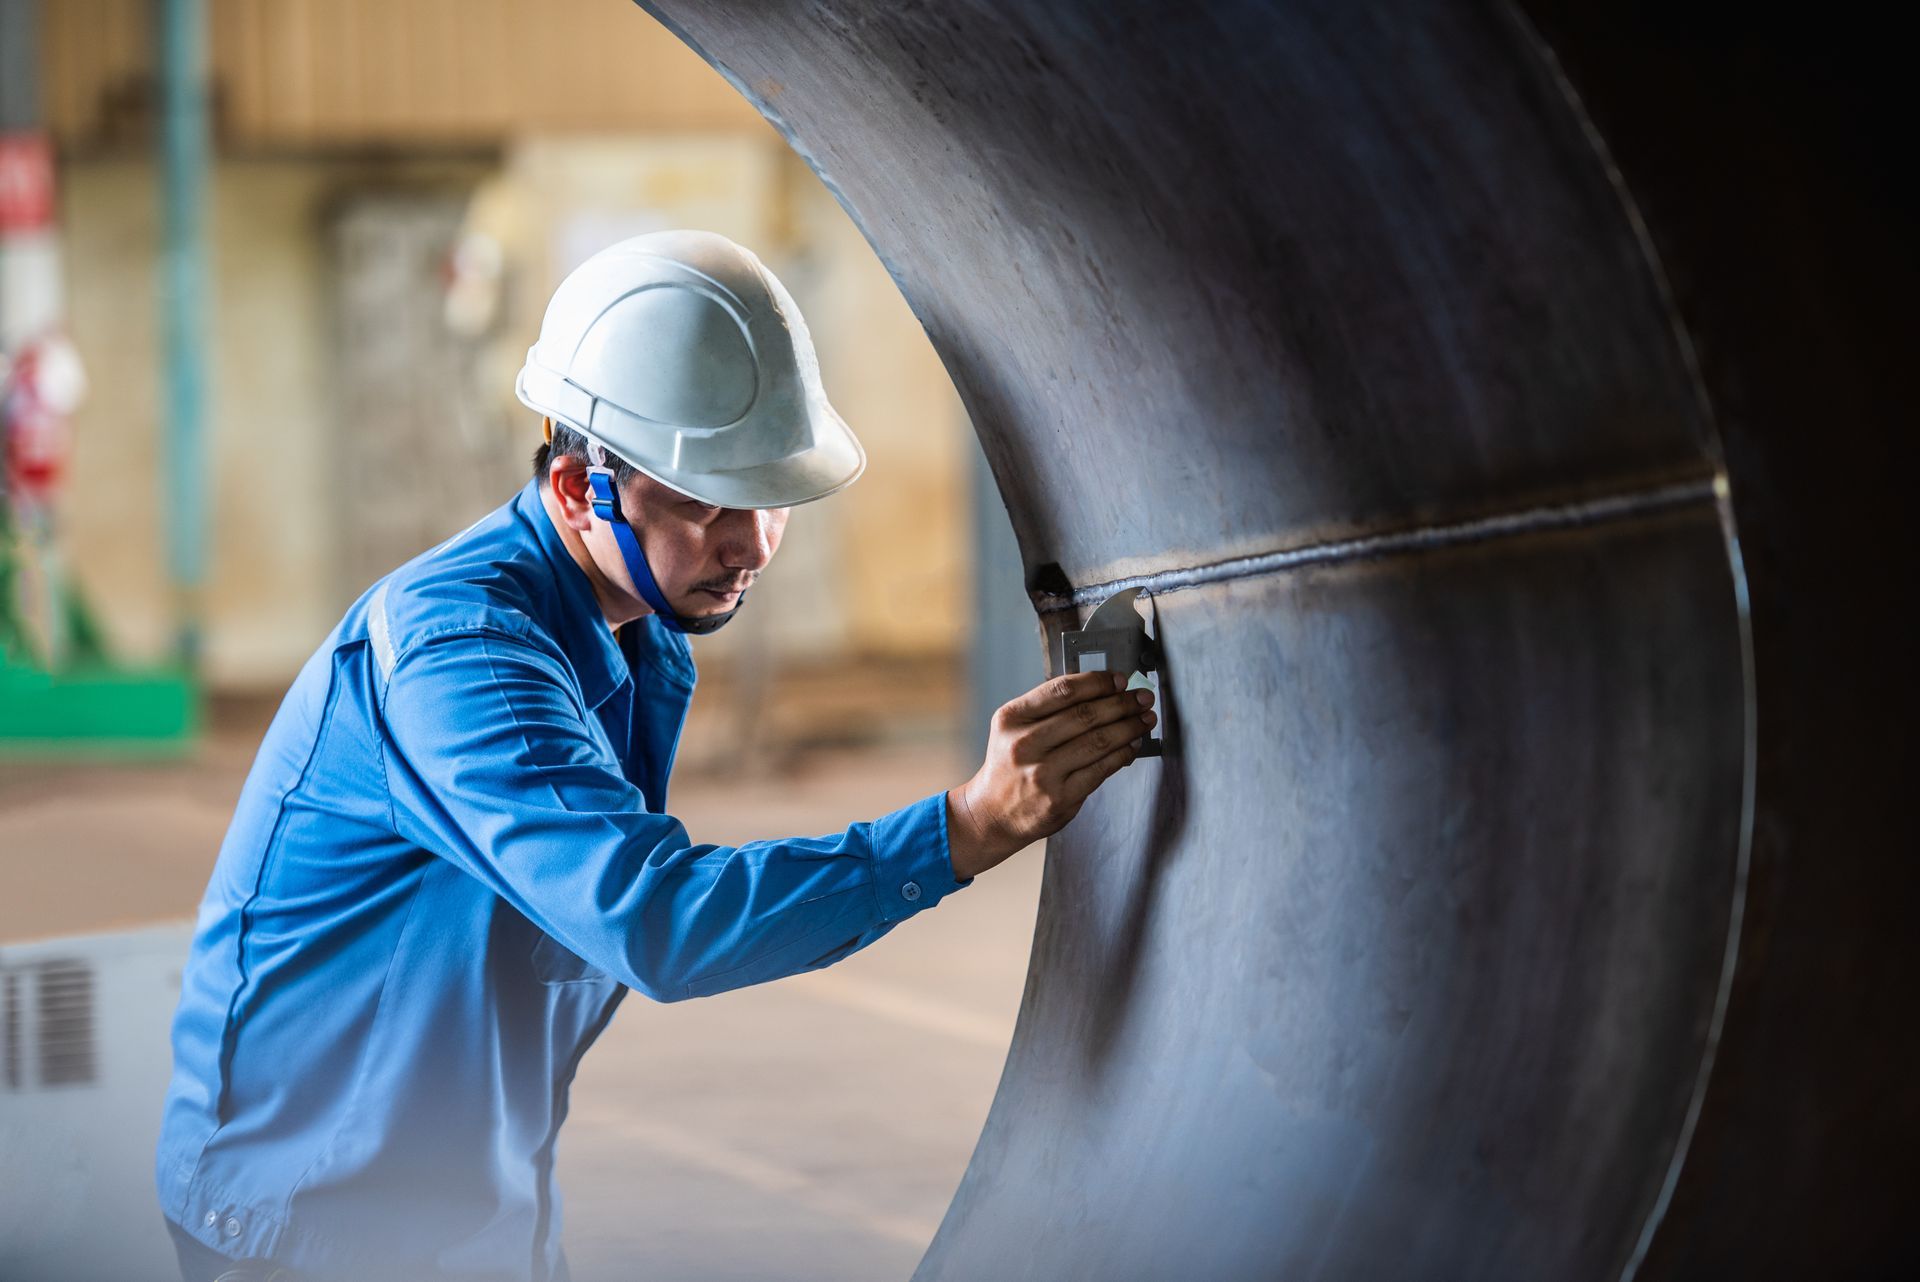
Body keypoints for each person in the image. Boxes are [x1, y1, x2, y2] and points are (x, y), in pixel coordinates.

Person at [153, 230, 1154, 1282]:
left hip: (467, 1200)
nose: (755, 543)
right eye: (707, 502)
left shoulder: (637, 632)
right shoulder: (465, 659)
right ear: (585, 487)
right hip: (312, 1222)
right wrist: (969, 824)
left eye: (770, 496)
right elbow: (653, 919)